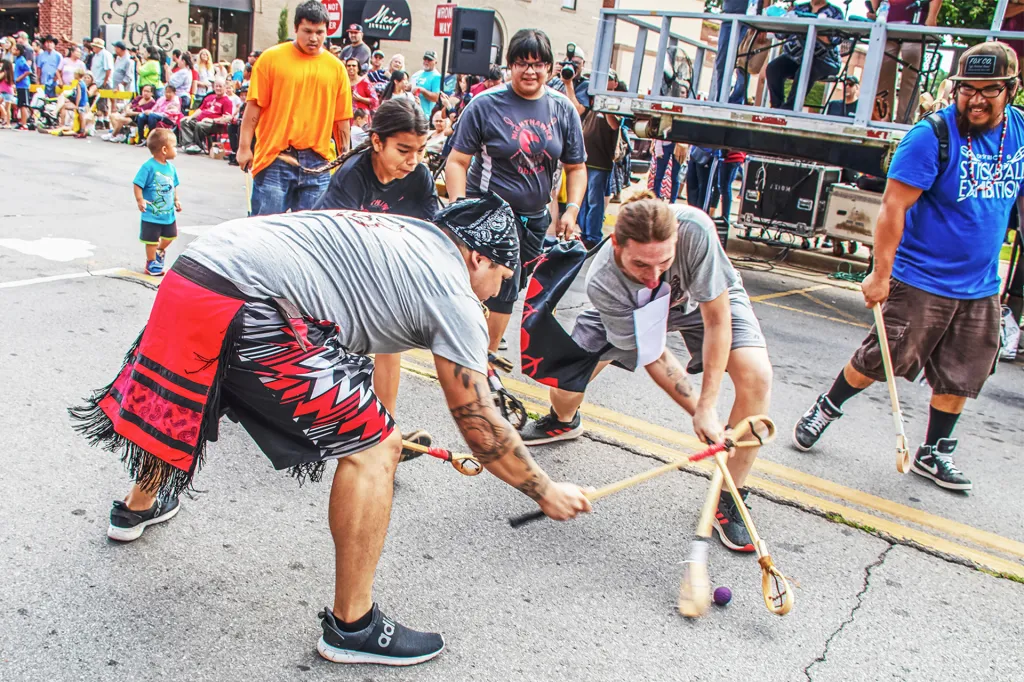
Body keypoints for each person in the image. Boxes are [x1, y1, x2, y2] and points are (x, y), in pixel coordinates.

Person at [68, 194, 592, 667]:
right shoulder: (453, 291)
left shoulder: (407, 235)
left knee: (207, 386)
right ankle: (353, 626)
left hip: (195, 272)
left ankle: (138, 506)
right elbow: (479, 424)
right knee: (376, 448)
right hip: (252, 300)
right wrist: (545, 490)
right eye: (503, 276)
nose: (500, 293)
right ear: (477, 257)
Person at [792, 42, 1024, 493]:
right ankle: (827, 406)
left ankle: (933, 452)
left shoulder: (1019, 131)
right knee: (881, 358)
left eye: (989, 90)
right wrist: (881, 274)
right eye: (967, 89)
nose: (976, 100)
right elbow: (892, 208)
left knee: (964, 370)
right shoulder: (931, 136)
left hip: (980, 283)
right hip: (921, 277)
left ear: (1011, 89)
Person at [520, 194, 772, 550]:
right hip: (630, 314)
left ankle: (729, 495)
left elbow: (718, 321)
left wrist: (708, 406)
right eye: (640, 265)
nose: (653, 278)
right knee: (564, 388)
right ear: (616, 245)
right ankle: (564, 420)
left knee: (757, 376)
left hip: (696, 304)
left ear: (677, 238)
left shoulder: (697, 230)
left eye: (664, 262)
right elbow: (654, 355)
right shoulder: (603, 280)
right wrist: (698, 410)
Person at [446, 28, 587, 358]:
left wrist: (572, 209)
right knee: (502, 289)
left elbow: (577, 167)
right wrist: (460, 209)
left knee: (510, 285)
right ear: (509, 66)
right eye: (522, 63)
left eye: (538, 64)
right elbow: (457, 161)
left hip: (535, 219)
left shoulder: (563, 109)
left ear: (550, 67)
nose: (530, 71)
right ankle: (483, 358)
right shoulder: (485, 104)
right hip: (491, 213)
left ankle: (477, 345)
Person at [314, 97, 440, 418]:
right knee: (332, 344)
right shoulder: (352, 175)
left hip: (385, 266)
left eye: (421, 151)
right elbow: (334, 242)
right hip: (332, 264)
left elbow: (434, 234)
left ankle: (386, 424)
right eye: (404, 150)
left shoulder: (419, 177)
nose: (413, 161)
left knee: (391, 341)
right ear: (377, 142)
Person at [237, 0, 352, 215]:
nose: (313, 38)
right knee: (267, 228)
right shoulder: (271, 59)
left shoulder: (336, 69)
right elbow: (253, 108)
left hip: (318, 161)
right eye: (307, 31)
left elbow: (342, 120)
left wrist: (345, 158)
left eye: (319, 32)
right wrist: (244, 147)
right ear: (296, 28)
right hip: (275, 157)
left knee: (311, 231)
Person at [868, 0, 942, 124]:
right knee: (884, 70)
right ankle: (882, 117)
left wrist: (931, 18)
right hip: (888, 22)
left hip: (916, 22)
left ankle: (905, 121)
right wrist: (874, 10)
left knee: (911, 70)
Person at [765, 0, 844, 110]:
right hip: (796, 57)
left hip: (825, 60)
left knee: (807, 68)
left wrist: (811, 28)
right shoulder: (799, 9)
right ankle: (776, 107)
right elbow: (781, 35)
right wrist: (785, 19)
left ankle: (789, 109)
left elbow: (835, 40)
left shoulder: (836, 12)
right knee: (773, 68)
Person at [579, 71, 622, 249]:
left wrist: (604, 103)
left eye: (609, 79)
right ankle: (584, 233)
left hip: (600, 162)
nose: (605, 82)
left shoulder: (616, 102)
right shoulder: (592, 100)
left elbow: (615, 125)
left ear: (615, 83)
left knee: (595, 201)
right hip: (584, 160)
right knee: (583, 200)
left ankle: (593, 236)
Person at [131, 128, 181, 276]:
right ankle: (151, 262)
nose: (177, 150)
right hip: (152, 214)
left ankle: (160, 250)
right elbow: (137, 183)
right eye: (174, 146)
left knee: (171, 236)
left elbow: (174, 185)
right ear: (165, 150)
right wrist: (140, 199)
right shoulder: (148, 167)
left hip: (168, 214)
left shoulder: (171, 168)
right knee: (151, 240)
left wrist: (176, 200)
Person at [180, 78, 234, 154]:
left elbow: (226, 119)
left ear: (225, 88)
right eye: (216, 86)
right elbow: (200, 109)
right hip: (201, 121)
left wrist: (212, 120)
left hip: (216, 124)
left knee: (200, 125)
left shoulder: (227, 101)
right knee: (185, 121)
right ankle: (190, 144)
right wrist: (190, 117)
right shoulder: (209, 97)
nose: (218, 88)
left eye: (220, 86)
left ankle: (198, 145)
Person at [546, 44, 590, 117]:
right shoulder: (556, 80)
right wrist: (550, 75)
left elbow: (577, 111)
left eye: (576, 63)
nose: (571, 66)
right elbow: (535, 94)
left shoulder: (585, 85)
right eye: (568, 62)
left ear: (583, 64)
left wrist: (568, 84)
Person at [89, 37, 114, 123]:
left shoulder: (105, 55)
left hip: (103, 81)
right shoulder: (95, 56)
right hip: (96, 81)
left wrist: (105, 81)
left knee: (102, 101)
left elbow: (108, 69)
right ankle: (102, 120)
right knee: (99, 102)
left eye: (94, 46)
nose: (93, 48)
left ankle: (103, 120)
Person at [410, 50, 441, 119]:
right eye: (425, 59)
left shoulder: (436, 76)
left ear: (435, 62)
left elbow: (436, 98)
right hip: (412, 113)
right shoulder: (416, 74)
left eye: (429, 60)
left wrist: (422, 90)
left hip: (425, 115)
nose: (426, 61)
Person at [12, 43, 31, 130]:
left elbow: (28, 71)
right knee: (20, 104)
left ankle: (24, 124)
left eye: (15, 49)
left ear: (19, 51)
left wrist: (19, 78)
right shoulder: (17, 59)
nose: (13, 51)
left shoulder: (22, 60)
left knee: (23, 105)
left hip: (23, 85)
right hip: (19, 86)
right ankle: (22, 122)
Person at [0, 60, 15, 127]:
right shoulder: (10, 73)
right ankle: (5, 119)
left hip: (7, 92)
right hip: (5, 92)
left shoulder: (4, 73)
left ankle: (8, 123)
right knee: (7, 108)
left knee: (7, 108)